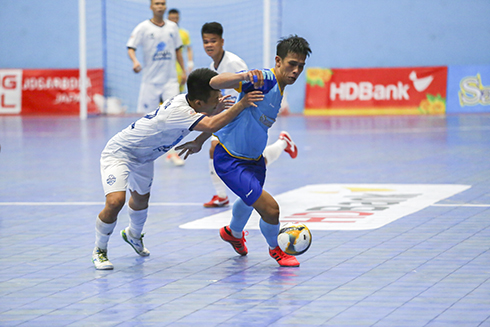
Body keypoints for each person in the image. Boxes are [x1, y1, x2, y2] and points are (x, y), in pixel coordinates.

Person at [92, 68, 264, 270]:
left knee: (140, 200)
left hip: (145, 157)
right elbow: (210, 124)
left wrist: (200, 140)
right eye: (216, 98)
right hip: (120, 153)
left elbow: (210, 121)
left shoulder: (193, 103)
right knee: (116, 201)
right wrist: (241, 104)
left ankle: (133, 235)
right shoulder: (178, 111)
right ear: (199, 103)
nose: (219, 101)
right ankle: (99, 250)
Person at [178, 35, 311, 267]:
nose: (296, 70)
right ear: (278, 61)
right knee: (270, 209)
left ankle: (233, 233)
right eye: (292, 64)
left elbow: (234, 118)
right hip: (230, 161)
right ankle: (276, 250)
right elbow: (215, 83)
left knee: (248, 201)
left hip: (254, 160)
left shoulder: (280, 88)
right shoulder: (264, 80)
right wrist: (243, 76)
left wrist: (200, 140)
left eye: (301, 66)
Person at [201, 22, 298, 208]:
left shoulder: (233, 62)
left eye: (213, 41)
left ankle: (221, 196)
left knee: (228, 153)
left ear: (222, 41)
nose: (209, 45)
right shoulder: (212, 65)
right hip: (229, 115)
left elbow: (250, 80)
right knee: (249, 161)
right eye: (205, 42)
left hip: (243, 115)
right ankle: (283, 142)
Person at [127, 0, 186, 114]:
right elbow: (131, 47)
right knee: (147, 118)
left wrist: (184, 71)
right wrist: (135, 61)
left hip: (170, 81)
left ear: (165, 7)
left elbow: (178, 50)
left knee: (174, 115)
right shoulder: (143, 27)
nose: (160, 6)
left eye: (162, 4)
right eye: (157, 3)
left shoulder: (172, 27)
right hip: (150, 82)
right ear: (151, 7)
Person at [167, 8, 194, 93]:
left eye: (175, 18)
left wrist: (190, 62)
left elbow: (188, 48)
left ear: (178, 18)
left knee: (177, 94)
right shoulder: (162, 32)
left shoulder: (183, 33)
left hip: (178, 68)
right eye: (171, 18)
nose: (173, 21)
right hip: (165, 67)